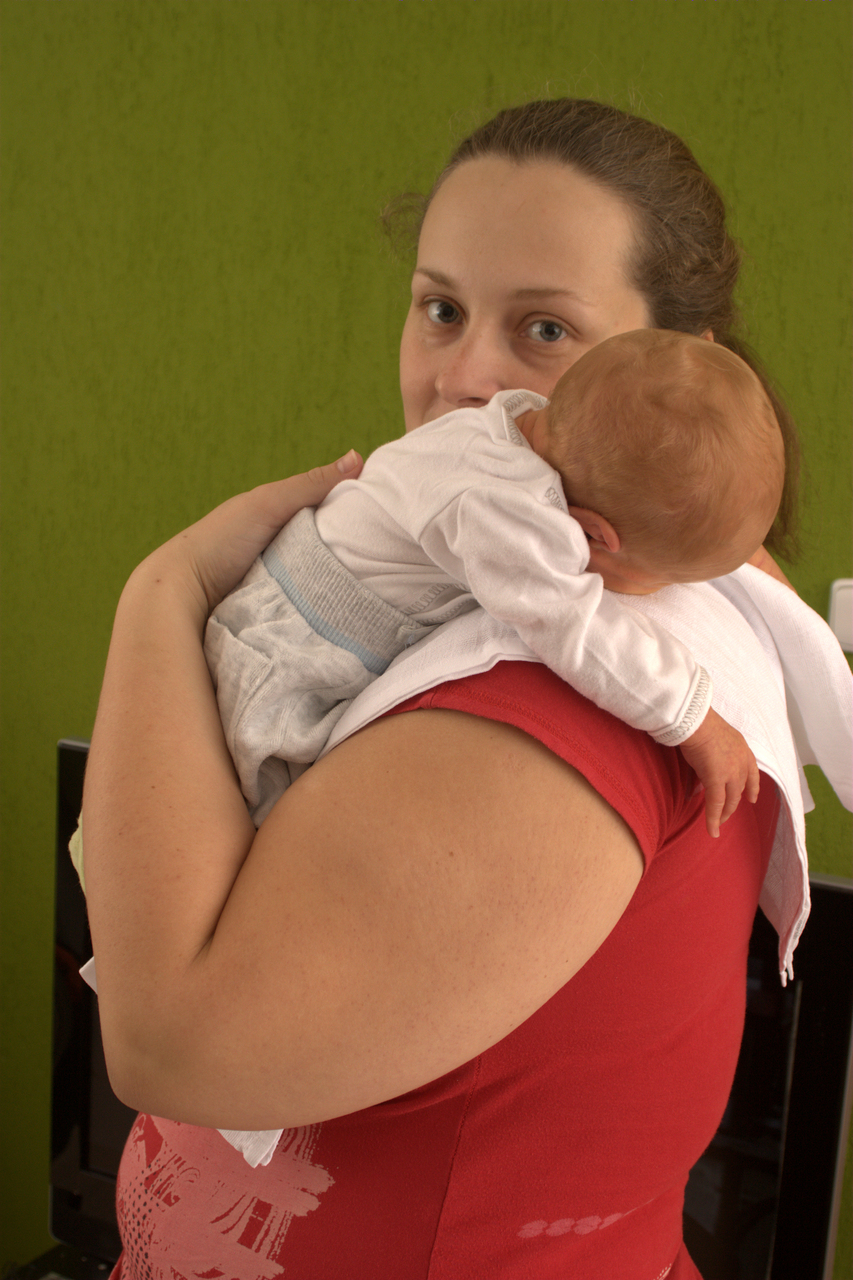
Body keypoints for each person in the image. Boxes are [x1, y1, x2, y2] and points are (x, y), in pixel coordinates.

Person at [81, 99, 850, 1279]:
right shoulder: (679, 567)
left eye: (544, 328)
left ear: (681, 358)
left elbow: (165, 1044)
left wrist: (162, 588)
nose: (465, 377)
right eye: (440, 307)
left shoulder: (549, 699)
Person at [206, 328, 782, 834]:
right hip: (291, 667)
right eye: (662, 581)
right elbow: (577, 629)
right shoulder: (508, 513)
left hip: (289, 616)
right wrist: (693, 718)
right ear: (594, 535)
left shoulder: (514, 424)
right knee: (257, 840)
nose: (669, 596)